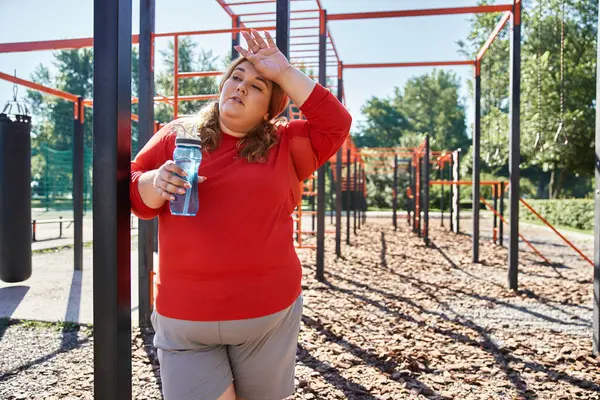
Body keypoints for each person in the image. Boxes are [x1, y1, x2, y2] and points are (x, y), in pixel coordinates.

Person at [130, 29, 352, 400]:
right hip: (187, 318)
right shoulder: (177, 135)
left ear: (270, 108)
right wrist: (157, 182)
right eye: (236, 77)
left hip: (266, 317)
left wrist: (283, 72)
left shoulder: (288, 143)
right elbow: (134, 193)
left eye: (258, 85)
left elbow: (336, 123)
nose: (241, 87)